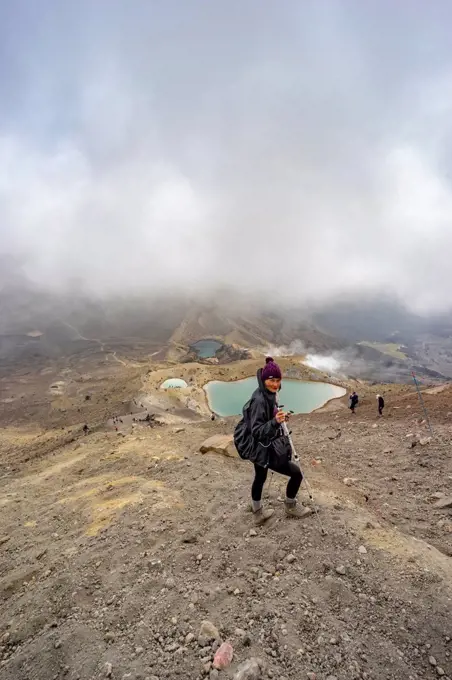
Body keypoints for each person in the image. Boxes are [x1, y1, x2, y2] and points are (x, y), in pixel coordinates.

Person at [234, 357, 313, 526]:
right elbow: (257, 431)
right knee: (296, 473)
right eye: (272, 380)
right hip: (261, 447)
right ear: (264, 379)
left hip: (260, 447)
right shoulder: (260, 400)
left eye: (278, 380)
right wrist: (275, 422)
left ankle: (257, 511)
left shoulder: (268, 394)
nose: (275, 384)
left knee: (260, 476)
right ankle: (290, 507)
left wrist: (278, 417)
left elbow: (268, 418)